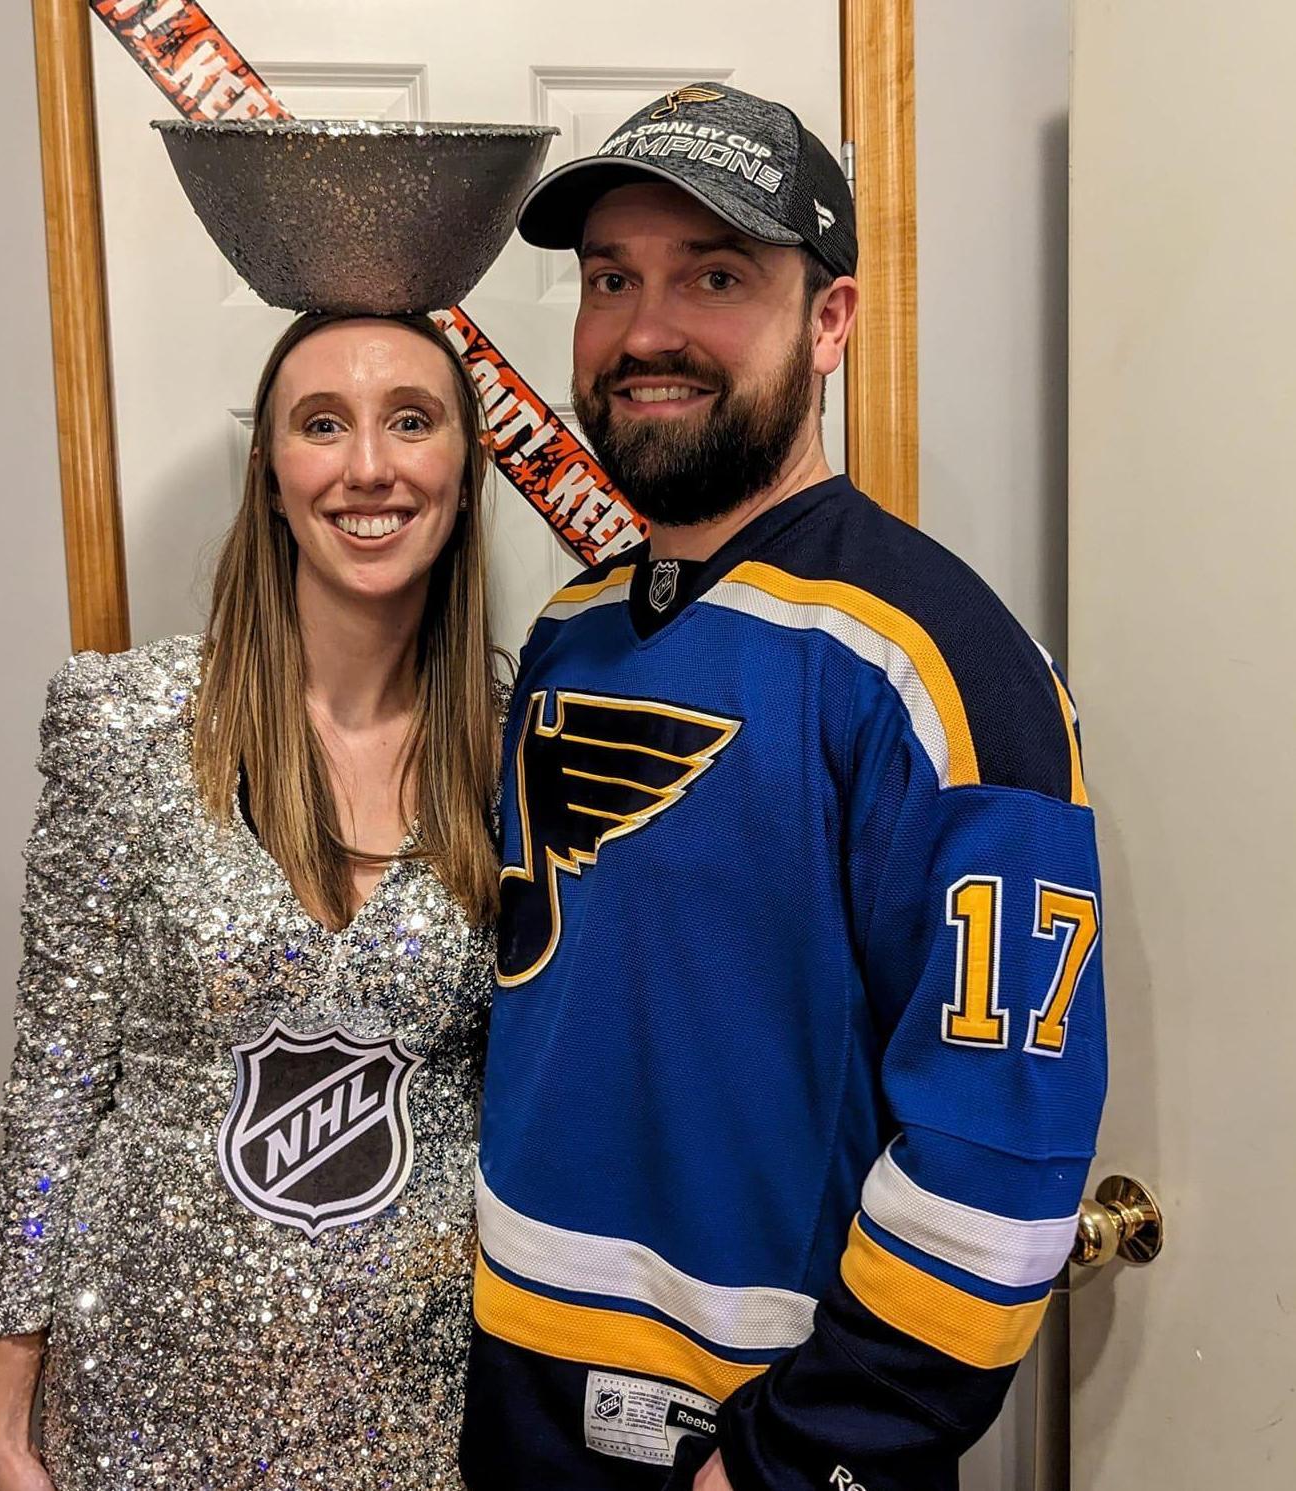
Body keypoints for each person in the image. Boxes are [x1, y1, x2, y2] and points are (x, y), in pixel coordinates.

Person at [460, 85, 1107, 1491]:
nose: (644, 331)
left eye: (714, 277)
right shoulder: (572, 629)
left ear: (829, 321)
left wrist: (797, 1459)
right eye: (610, 279)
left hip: (742, 1428)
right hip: (515, 1393)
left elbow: (999, 1151)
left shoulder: (940, 663)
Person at [0, 312, 504, 1490]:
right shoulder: (125, 723)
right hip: (139, 1398)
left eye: (410, 421)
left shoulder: (515, 752)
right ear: (269, 476)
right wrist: (9, 1402)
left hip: (416, 1407)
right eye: (322, 425)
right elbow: (57, 1071)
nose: (368, 466)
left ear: (466, 470)